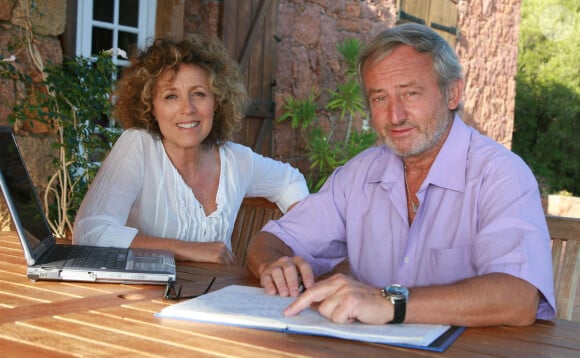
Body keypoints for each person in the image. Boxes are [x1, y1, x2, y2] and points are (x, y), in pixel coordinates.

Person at [246, 23, 556, 327]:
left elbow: (519, 297)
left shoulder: (500, 174)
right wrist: (274, 264)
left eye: (409, 94)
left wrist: (388, 302)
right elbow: (272, 239)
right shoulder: (360, 174)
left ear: (453, 93)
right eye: (380, 98)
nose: (395, 116)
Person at [73, 34, 308, 264]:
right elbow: (90, 232)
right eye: (171, 96)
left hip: (217, 295)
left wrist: (302, 244)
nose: (187, 108)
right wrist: (188, 250)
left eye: (198, 94)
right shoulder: (139, 146)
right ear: (151, 107)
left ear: (216, 102)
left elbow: (291, 181)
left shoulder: (237, 160)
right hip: (143, 298)